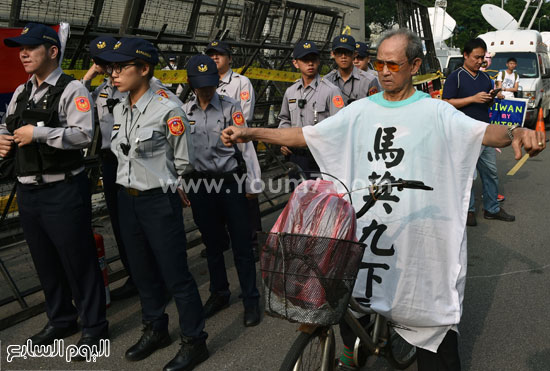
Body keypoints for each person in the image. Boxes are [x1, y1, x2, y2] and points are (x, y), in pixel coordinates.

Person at [221, 28, 545, 371]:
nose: (385, 71)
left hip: (416, 238)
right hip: (367, 233)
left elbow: (483, 132)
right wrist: (250, 132)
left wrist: (517, 131)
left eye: (393, 64)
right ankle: (354, 348)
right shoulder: (360, 111)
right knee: (349, 293)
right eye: (379, 63)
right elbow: (305, 134)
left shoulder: (435, 111)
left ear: (415, 65)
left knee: (431, 327)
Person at [100, 38, 208, 370]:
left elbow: (182, 159)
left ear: (144, 69)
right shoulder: (119, 107)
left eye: (122, 67)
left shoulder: (167, 108)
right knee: (142, 271)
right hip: (126, 201)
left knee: (175, 274)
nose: (114, 74)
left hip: (158, 202)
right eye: (112, 68)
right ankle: (155, 327)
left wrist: (163, 182)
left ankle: (194, 340)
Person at [0, 23, 108, 353]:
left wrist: (40, 133)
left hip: (62, 190)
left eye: (30, 47)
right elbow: (7, 125)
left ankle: (94, 327)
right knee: (45, 261)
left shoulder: (71, 89)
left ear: (52, 51)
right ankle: (61, 319)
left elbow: (84, 135)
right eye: (20, 48)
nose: (23, 53)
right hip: (29, 191)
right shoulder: (22, 91)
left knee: (78, 260)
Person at [183, 55, 262, 327]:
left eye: (210, 84)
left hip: (230, 182)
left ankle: (251, 299)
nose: (206, 90)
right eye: (200, 85)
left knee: (241, 244)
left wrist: (253, 183)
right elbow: (180, 152)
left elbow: (246, 146)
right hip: (200, 185)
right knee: (213, 244)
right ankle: (219, 292)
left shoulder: (231, 107)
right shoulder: (184, 112)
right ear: (191, 83)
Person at [443, 38, 514, 227]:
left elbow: (486, 103)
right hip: (463, 134)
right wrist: (472, 98)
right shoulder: (455, 77)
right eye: (476, 57)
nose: (479, 61)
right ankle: (468, 210)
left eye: (482, 57)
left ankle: (492, 208)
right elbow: (445, 103)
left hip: (485, 132)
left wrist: (492, 97)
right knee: (467, 175)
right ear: (465, 55)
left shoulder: (485, 78)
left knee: (490, 172)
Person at [205, 39, 262, 261]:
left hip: (237, 145)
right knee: (217, 194)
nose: (215, 58)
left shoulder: (241, 82)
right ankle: (222, 239)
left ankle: (253, 240)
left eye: (219, 54)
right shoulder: (204, 82)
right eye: (211, 55)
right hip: (212, 149)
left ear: (229, 58)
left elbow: (244, 117)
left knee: (248, 196)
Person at [278, 40, 344, 180]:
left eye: (313, 59)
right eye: (305, 60)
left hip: (320, 156)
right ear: (295, 63)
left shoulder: (331, 91)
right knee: (298, 195)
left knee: (320, 197)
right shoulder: (291, 92)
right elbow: (285, 118)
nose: (310, 63)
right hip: (295, 155)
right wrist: (283, 140)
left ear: (319, 61)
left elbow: (340, 125)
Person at [324, 35, 381, 105]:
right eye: (339, 52)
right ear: (332, 54)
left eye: (347, 52)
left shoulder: (369, 81)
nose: (343, 56)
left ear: (355, 54)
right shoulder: (327, 81)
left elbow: (375, 108)